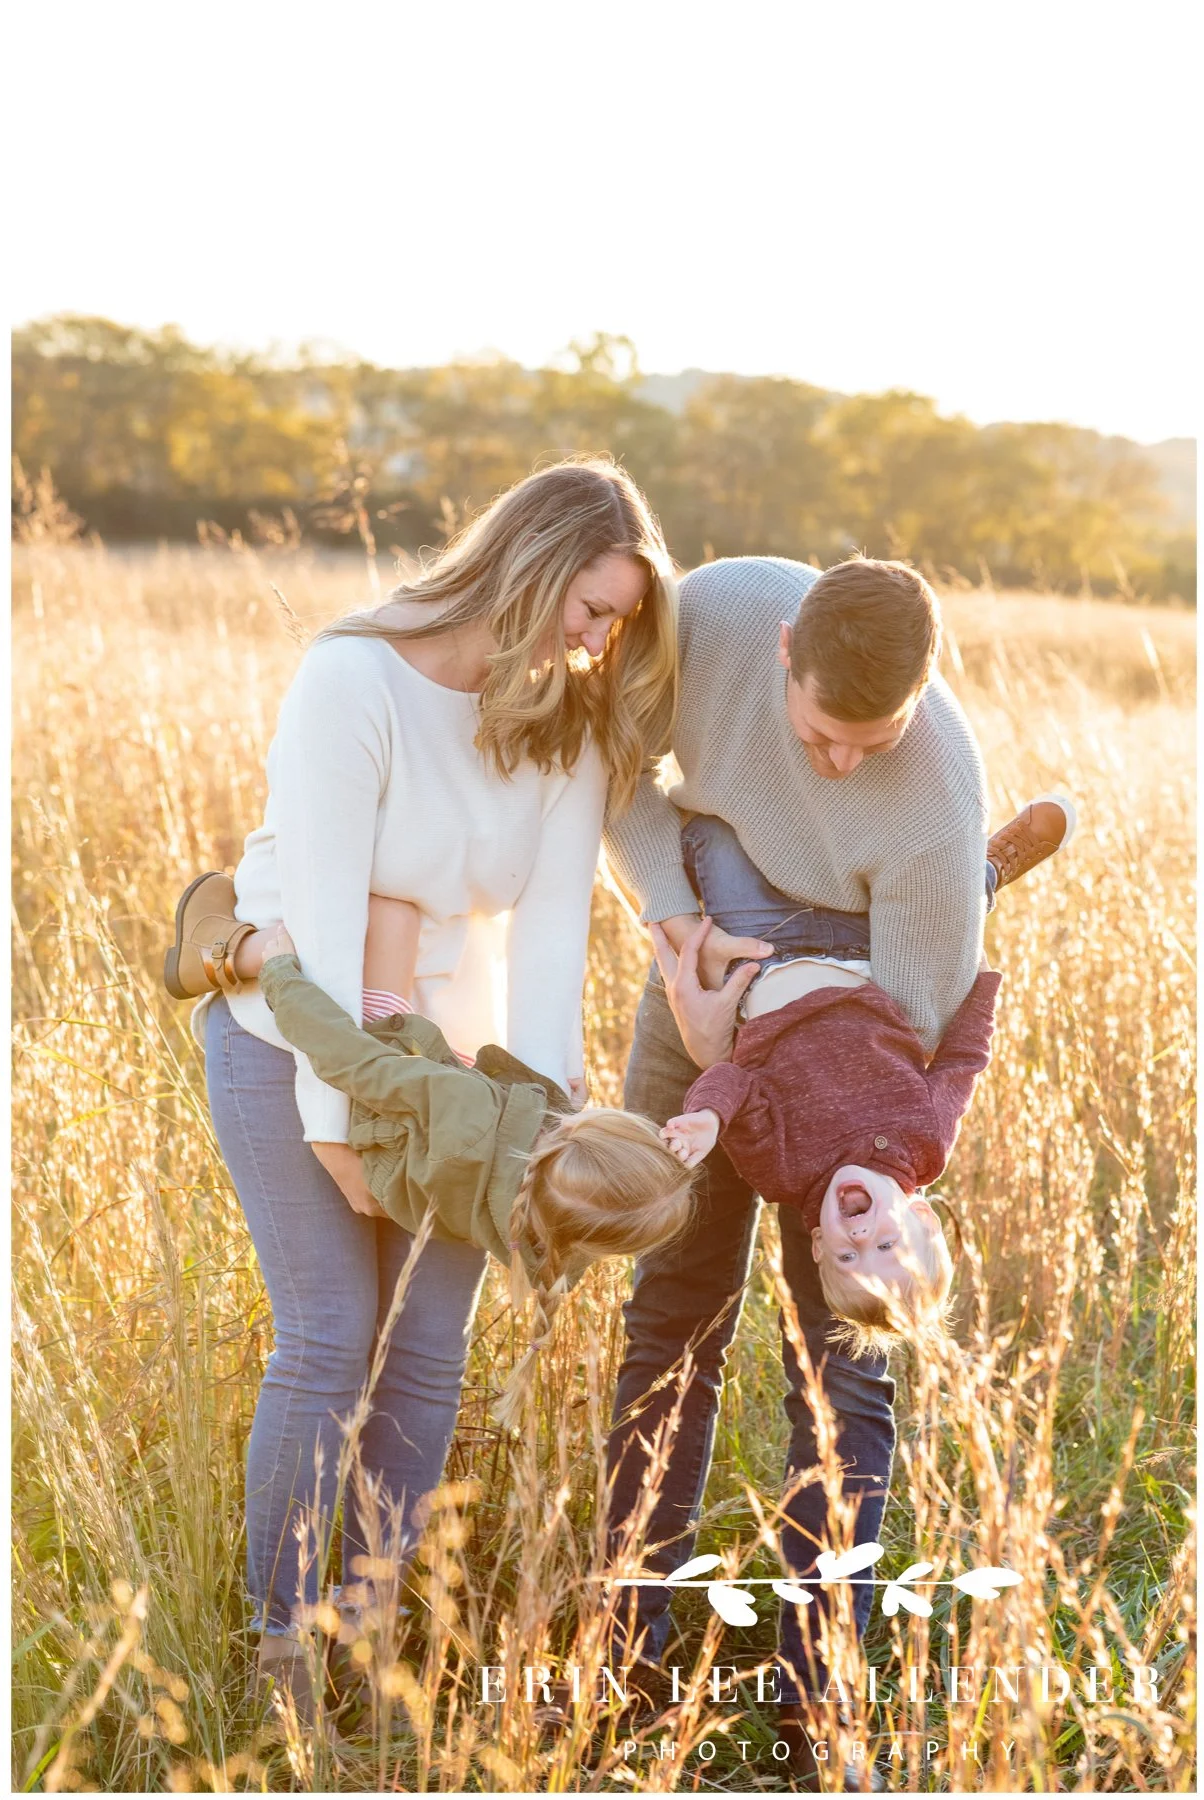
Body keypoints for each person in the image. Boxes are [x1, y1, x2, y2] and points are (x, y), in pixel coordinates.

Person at [166, 456, 681, 1713]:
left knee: (428, 1352)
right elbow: (331, 919)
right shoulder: (355, 677)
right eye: (591, 602)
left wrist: (545, 1132)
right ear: (530, 559)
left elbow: (554, 933)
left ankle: (373, 1627)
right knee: (334, 1337)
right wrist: (340, 1127)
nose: (597, 634)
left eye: (616, 618)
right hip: (295, 1037)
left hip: (462, 1076)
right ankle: (283, 1645)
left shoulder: (564, 717)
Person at [594, 552, 1048, 1736]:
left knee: (843, 1355)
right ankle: (629, 1656)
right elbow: (618, 769)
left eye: (875, 741)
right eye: (823, 735)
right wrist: (680, 940)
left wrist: (847, 1172)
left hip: (851, 992)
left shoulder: (937, 797)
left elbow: (905, 1039)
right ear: (786, 647)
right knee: (674, 1307)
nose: (846, 762)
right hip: (704, 938)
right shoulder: (715, 619)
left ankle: (817, 1691)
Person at [654, 800, 1070, 1342]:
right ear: (922, 1218)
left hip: (760, 951)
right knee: (935, 898)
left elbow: (736, 1081)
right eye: (886, 1244)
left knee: (715, 832)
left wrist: (707, 1118)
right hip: (867, 948)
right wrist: (978, 979)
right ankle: (981, 878)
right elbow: (961, 1062)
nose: (861, 1230)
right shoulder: (926, 1142)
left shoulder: (779, 1172)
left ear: (820, 1247)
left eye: (849, 1253)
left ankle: (971, 882)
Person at [246, 919, 697, 1408]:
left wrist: (281, 977)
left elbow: (354, 1062)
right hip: (405, 1191)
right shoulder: (547, 1242)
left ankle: (237, 950)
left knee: (394, 920)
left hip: (384, 1128)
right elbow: (612, 1208)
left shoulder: (465, 1104)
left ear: (579, 1128)